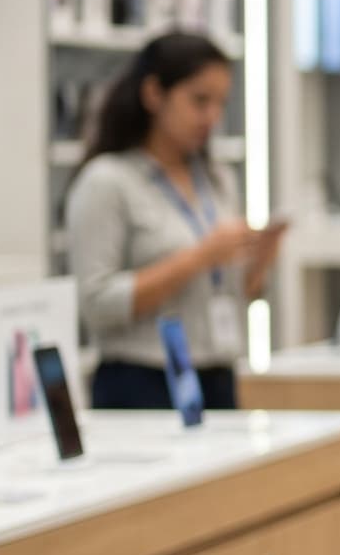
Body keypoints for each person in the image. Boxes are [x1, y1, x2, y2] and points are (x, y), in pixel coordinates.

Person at [63, 31, 282, 409]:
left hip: (217, 376)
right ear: (153, 94)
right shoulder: (106, 182)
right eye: (199, 101)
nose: (212, 117)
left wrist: (259, 259)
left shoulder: (216, 179)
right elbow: (97, 304)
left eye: (220, 104)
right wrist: (200, 257)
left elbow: (231, 291)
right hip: (141, 383)